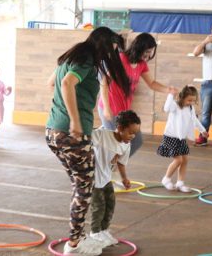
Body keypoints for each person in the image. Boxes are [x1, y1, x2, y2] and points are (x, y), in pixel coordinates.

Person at [45, 26, 131, 256]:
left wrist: (63, 113)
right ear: (102, 46)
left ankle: (78, 238)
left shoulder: (72, 58)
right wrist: (74, 120)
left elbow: (51, 82)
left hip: (53, 132)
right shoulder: (86, 62)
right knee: (84, 188)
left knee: (79, 186)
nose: (111, 55)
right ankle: (74, 244)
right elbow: (65, 84)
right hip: (72, 134)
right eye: (111, 49)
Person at [98, 32, 177, 156]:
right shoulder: (120, 59)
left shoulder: (141, 64)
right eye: (146, 52)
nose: (149, 55)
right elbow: (104, 83)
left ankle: (114, 162)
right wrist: (107, 109)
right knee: (115, 142)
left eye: (151, 52)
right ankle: (106, 162)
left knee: (136, 141)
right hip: (110, 107)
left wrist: (168, 90)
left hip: (124, 111)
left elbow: (152, 83)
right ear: (138, 48)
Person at [89, 110, 141, 248]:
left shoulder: (126, 144)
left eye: (135, 133)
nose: (133, 136)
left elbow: (121, 163)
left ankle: (104, 230)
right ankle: (95, 233)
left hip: (106, 178)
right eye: (130, 132)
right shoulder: (103, 135)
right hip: (94, 179)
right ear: (119, 129)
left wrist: (125, 178)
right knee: (98, 207)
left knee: (110, 204)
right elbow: (85, 136)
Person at [158, 85, 207, 192]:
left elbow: (195, 120)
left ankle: (180, 183)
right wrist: (171, 95)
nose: (191, 102)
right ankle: (166, 179)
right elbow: (166, 108)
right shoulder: (175, 105)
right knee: (178, 160)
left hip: (181, 138)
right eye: (189, 100)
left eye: (193, 101)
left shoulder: (190, 108)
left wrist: (202, 130)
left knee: (185, 160)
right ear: (183, 97)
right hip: (171, 136)